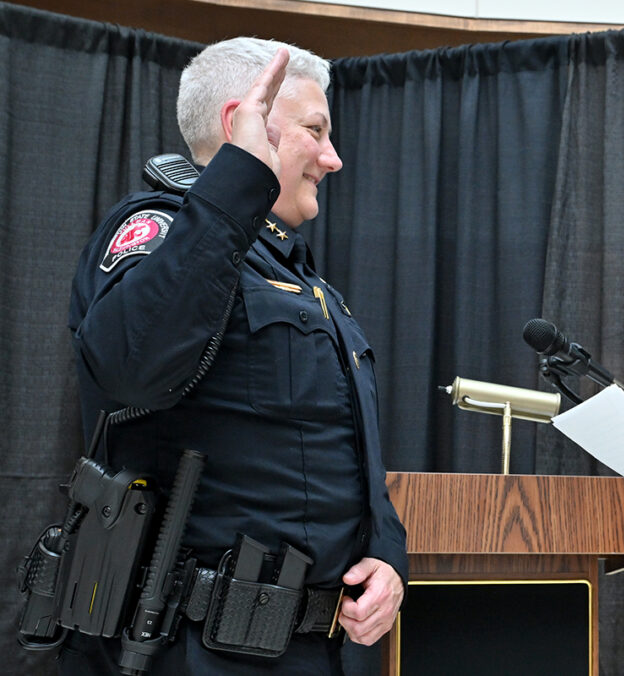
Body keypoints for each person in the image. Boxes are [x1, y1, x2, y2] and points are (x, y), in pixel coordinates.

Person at [61, 38, 407, 674]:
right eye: (315, 130)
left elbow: (347, 448)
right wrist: (235, 184)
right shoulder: (160, 232)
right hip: (191, 649)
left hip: (315, 649)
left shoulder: (307, 283)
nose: (332, 159)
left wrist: (387, 555)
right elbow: (131, 367)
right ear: (240, 124)